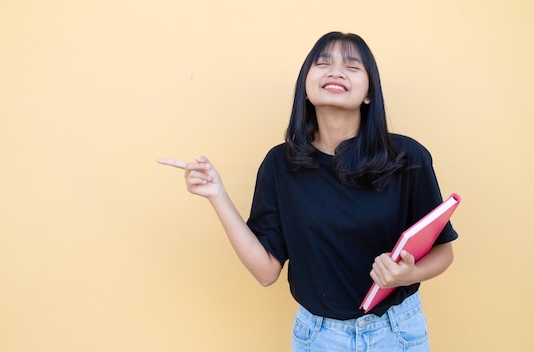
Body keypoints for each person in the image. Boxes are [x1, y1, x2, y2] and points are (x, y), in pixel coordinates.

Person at [157, 31, 458, 352]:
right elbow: (265, 271)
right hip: (319, 337)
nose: (336, 71)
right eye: (323, 63)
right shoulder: (279, 164)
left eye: (352, 67)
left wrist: (407, 275)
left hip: (396, 332)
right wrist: (218, 196)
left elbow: (443, 252)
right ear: (305, 84)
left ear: (370, 93)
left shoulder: (406, 157)